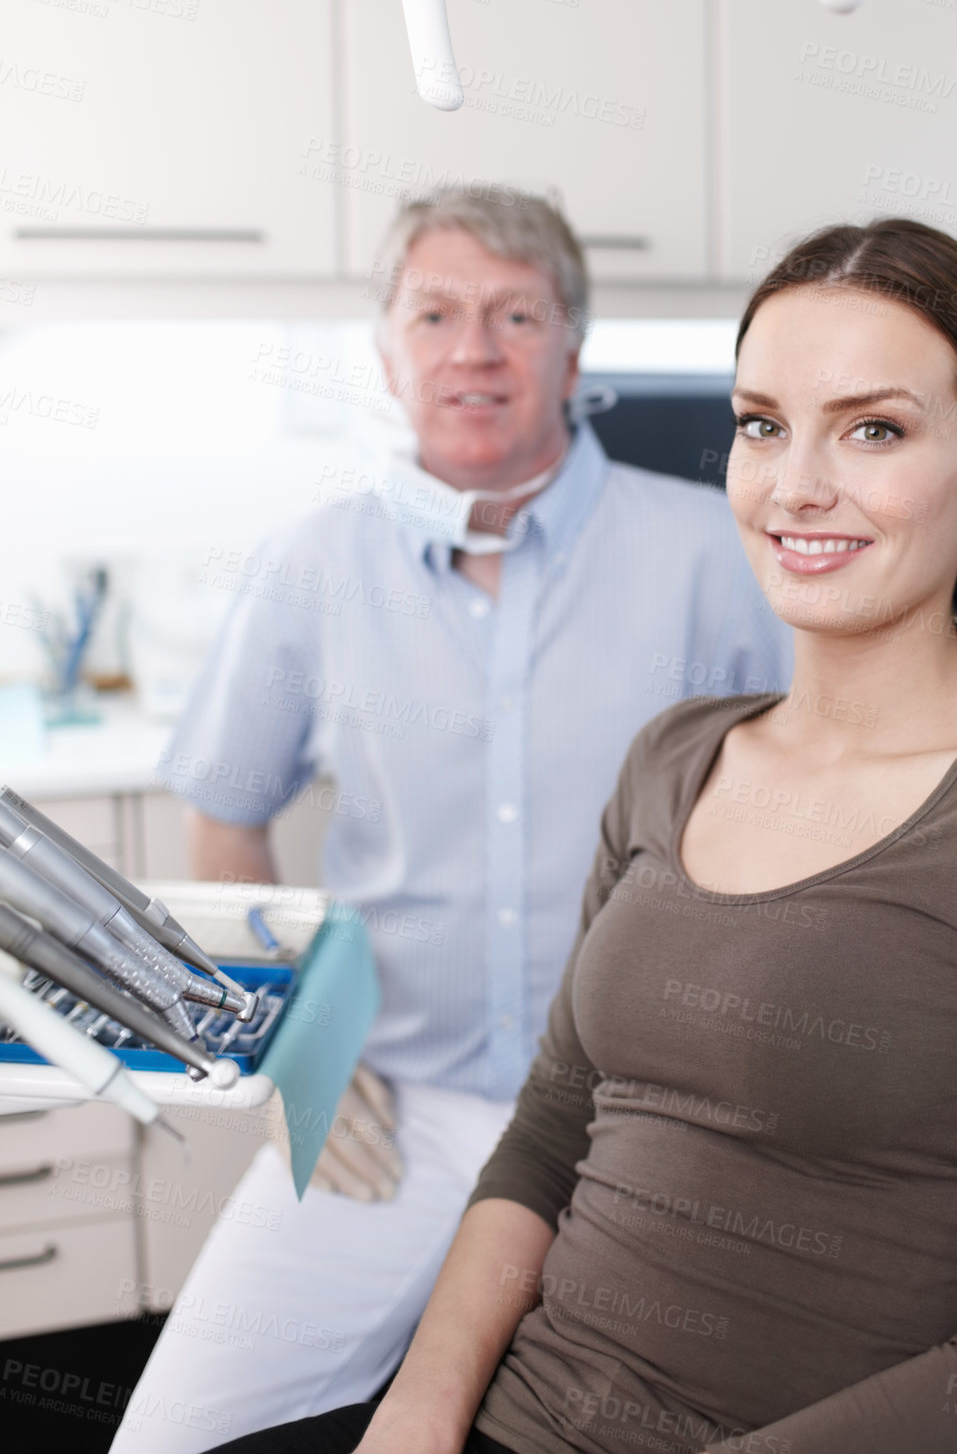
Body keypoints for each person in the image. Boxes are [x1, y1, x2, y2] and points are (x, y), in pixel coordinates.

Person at [207, 217, 957, 1454]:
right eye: (762, 424)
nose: (796, 484)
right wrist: (415, 1416)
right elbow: (549, 1137)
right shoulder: (676, 754)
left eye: (873, 429)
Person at [112, 188, 790, 1454]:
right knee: (169, 1434)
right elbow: (225, 813)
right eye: (436, 313)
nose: (472, 348)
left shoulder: (719, 552)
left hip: (639, 1117)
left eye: (513, 314)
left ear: (571, 352)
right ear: (387, 354)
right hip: (391, 1106)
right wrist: (290, 1049)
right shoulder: (312, 567)